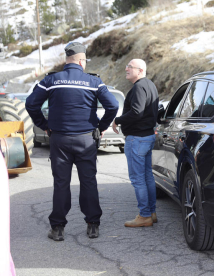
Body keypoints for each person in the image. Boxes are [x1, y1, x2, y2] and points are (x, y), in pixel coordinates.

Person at [25, 42, 119, 241]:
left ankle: (58, 228)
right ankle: (93, 225)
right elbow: (113, 105)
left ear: (67, 59)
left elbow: (31, 103)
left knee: (61, 183)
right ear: (82, 60)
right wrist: (101, 127)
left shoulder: (51, 80)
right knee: (88, 182)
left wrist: (44, 125)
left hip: (60, 140)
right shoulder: (94, 82)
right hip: (86, 139)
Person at [112, 59, 159, 227]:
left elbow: (137, 112)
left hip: (137, 139)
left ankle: (144, 215)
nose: (126, 69)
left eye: (130, 67)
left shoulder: (139, 87)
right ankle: (151, 213)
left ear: (140, 70)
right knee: (147, 177)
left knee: (138, 179)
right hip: (146, 137)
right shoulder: (150, 85)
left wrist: (117, 120)